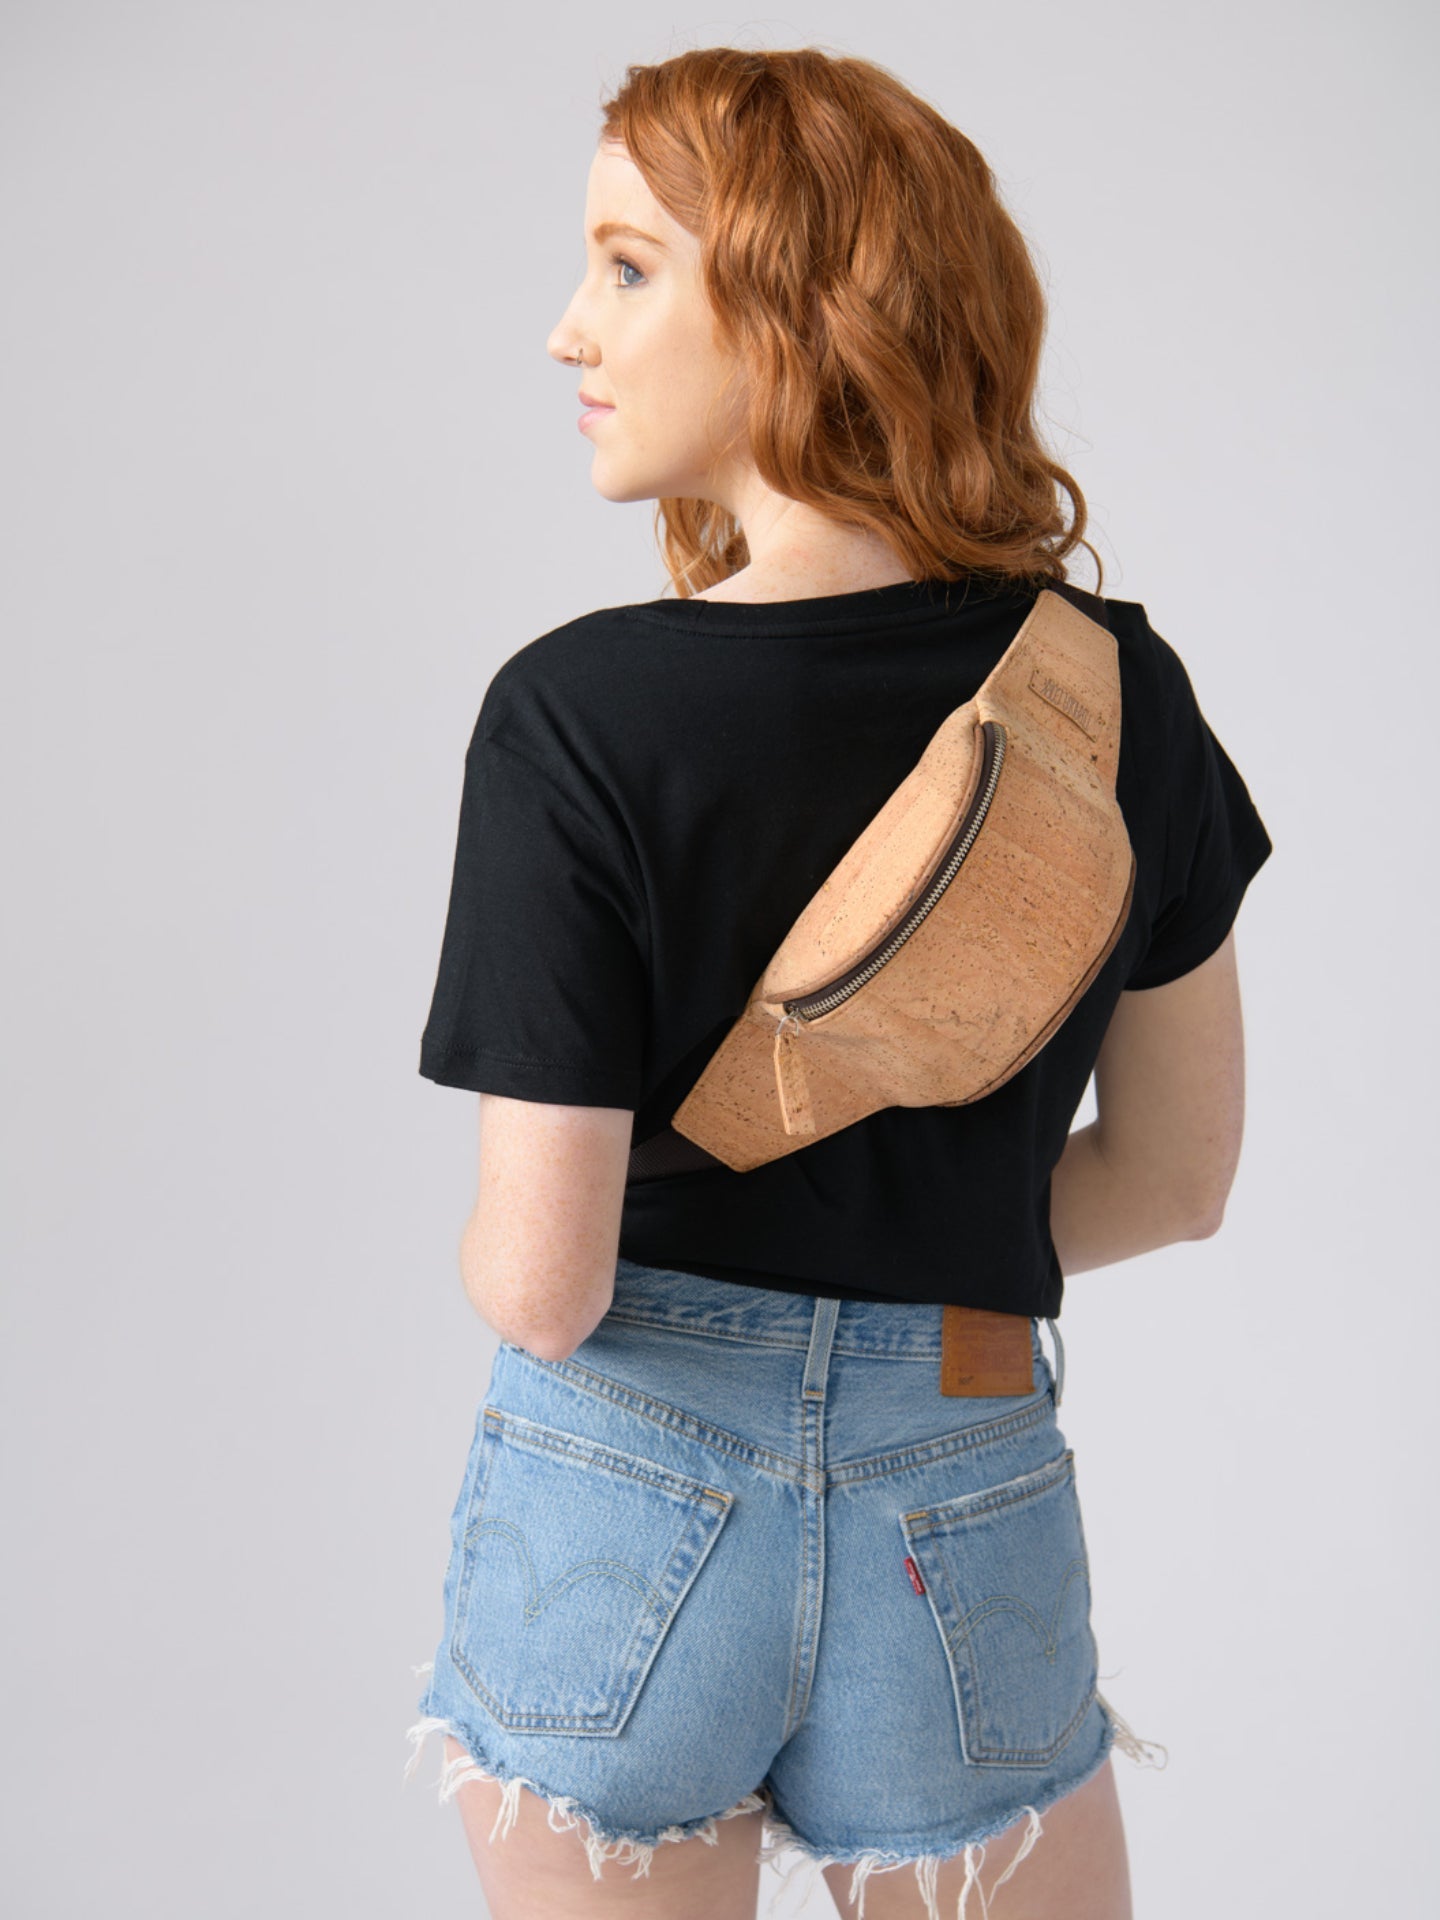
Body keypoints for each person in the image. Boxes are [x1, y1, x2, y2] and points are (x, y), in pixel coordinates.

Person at [402, 43, 1272, 1920]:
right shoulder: (1116, 698)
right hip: (962, 1476)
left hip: (627, 1483)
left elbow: (545, 1284)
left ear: (801, 312)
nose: (568, 329)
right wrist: (902, 1262)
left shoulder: (577, 715)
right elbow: (1178, 1180)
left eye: (629, 266)